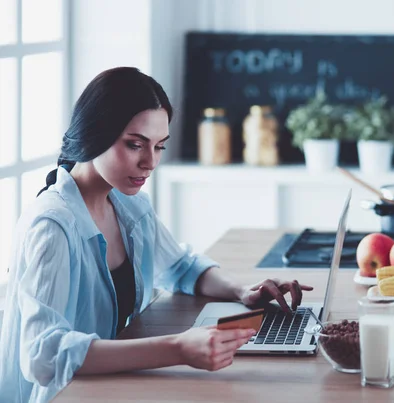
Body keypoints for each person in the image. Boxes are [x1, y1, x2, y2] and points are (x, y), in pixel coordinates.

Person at [0, 67, 313, 403]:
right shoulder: (52, 226)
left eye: (159, 146)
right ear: (95, 134)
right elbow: (41, 356)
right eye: (136, 145)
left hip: (107, 387)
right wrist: (177, 347)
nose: (150, 162)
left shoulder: (128, 205)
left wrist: (242, 291)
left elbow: (181, 268)